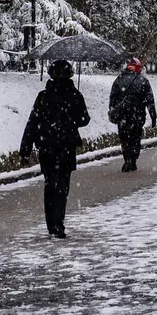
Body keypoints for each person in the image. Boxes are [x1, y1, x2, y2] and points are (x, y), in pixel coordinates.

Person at [26, 59, 95, 234]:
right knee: (63, 185)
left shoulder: (43, 96)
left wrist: (25, 147)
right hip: (66, 146)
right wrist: (71, 119)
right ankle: (59, 222)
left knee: (50, 184)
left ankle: (51, 223)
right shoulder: (75, 95)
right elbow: (84, 120)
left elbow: (33, 122)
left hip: (47, 146)